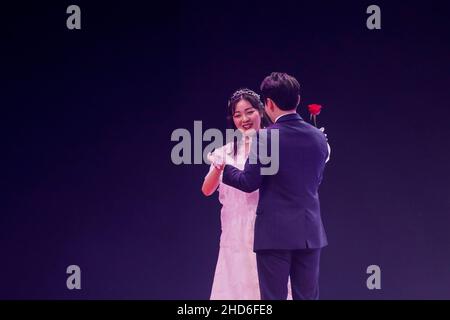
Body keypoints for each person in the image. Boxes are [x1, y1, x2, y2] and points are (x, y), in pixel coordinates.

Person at [219, 72, 329, 300]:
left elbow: (249, 182)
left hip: (274, 234)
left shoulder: (265, 138)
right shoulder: (318, 137)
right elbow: (315, 180)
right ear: (297, 100)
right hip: (309, 232)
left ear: (267, 104)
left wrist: (225, 168)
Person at [201, 88, 293, 300]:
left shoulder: (275, 146)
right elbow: (207, 190)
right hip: (233, 233)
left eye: (249, 112)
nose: (244, 119)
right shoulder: (225, 151)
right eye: (237, 115)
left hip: (267, 229)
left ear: (261, 111)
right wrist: (218, 167)